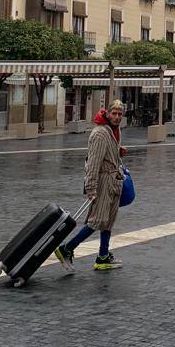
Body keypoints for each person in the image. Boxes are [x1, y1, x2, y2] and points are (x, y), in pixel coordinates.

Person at [55, 100, 126, 271]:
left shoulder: (112, 131)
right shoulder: (100, 133)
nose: (117, 117)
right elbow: (93, 163)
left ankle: (102, 257)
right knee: (97, 220)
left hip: (113, 181)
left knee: (108, 221)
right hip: (103, 183)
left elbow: (107, 155)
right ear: (107, 113)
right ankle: (67, 248)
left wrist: (118, 152)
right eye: (114, 113)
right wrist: (91, 188)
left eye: (119, 114)